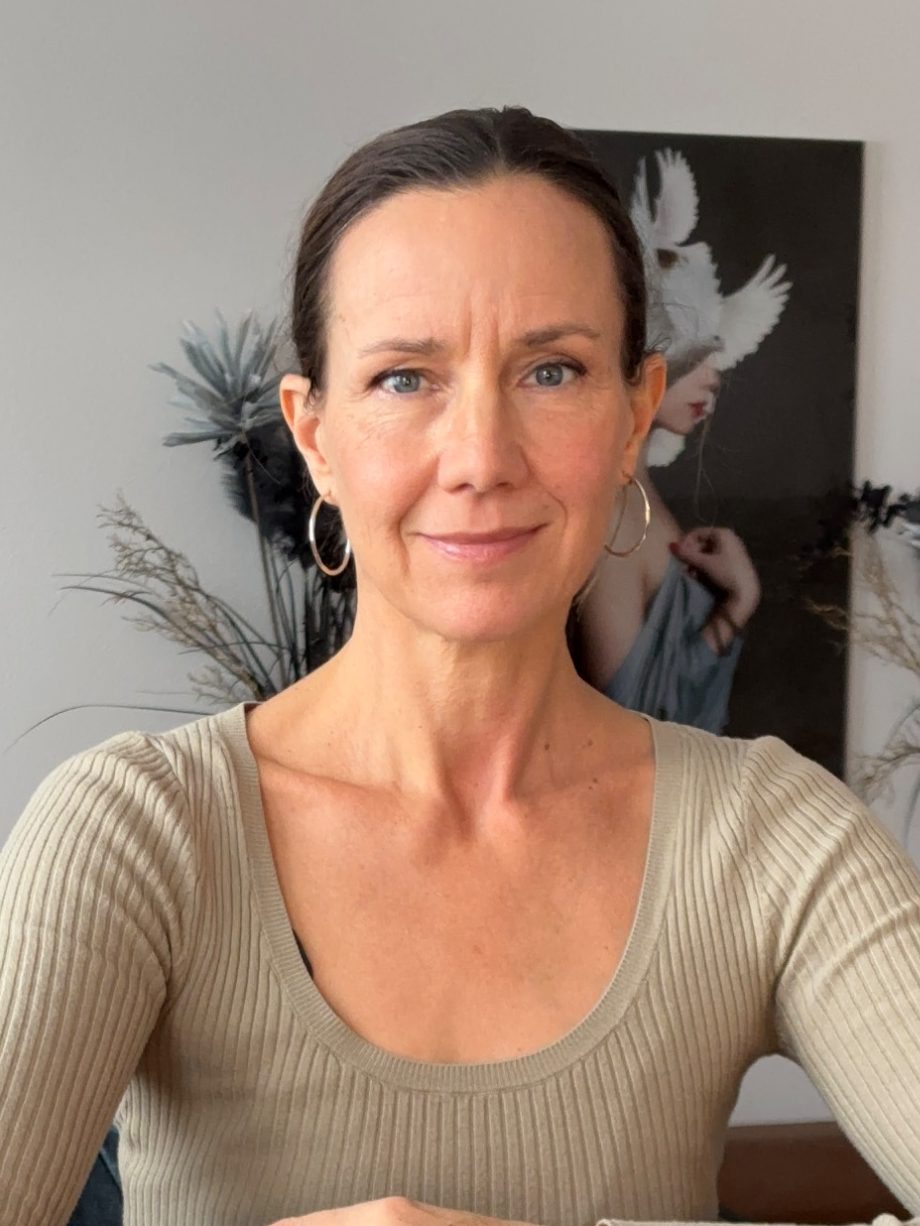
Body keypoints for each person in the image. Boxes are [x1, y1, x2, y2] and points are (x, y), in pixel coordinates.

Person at [2, 107, 919, 1226]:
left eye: (551, 370)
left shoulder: (775, 839)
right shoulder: (136, 831)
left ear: (634, 415)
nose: (480, 457)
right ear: (314, 433)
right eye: (404, 378)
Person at [574, 150, 790, 733]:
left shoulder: (636, 494)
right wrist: (738, 603)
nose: (714, 376)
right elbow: (626, 729)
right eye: (694, 355)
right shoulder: (614, 514)